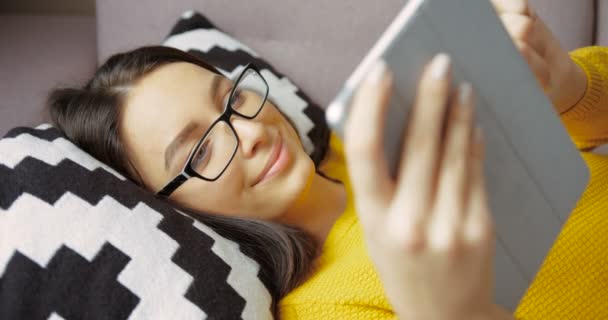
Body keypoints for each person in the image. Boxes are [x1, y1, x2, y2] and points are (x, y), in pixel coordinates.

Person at [46, 0, 608, 318]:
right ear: (171, 213)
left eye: (233, 99)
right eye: (200, 148)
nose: (251, 132)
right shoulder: (323, 308)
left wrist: (568, 84)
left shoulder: (372, 124)